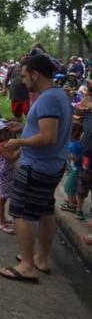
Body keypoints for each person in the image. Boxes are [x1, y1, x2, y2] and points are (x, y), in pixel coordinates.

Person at [0, 54, 72, 284]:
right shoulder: (58, 94)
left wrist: (19, 142)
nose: (22, 79)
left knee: (20, 212)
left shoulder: (48, 99)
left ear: (36, 74)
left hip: (36, 167)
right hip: (52, 164)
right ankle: (40, 258)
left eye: (24, 74)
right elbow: (46, 128)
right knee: (45, 211)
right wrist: (22, 126)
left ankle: (27, 265)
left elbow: (48, 136)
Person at [0, 125, 21, 234]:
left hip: (4, 173)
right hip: (2, 175)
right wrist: (23, 147)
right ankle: (1, 222)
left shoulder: (3, 143)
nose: (9, 133)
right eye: (6, 132)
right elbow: (12, 157)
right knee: (2, 198)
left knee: (1, 196)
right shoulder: (0, 146)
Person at [74, 83, 92, 220]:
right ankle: (79, 209)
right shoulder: (87, 116)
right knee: (83, 183)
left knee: (83, 183)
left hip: (87, 155)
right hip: (87, 156)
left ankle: (80, 209)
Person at [59, 122, 84, 216]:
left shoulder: (75, 145)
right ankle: (72, 200)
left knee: (68, 186)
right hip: (73, 168)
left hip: (76, 169)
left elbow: (76, 158)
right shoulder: (72, 143)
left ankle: (72, 205)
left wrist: (64, 153)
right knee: (71, 186)